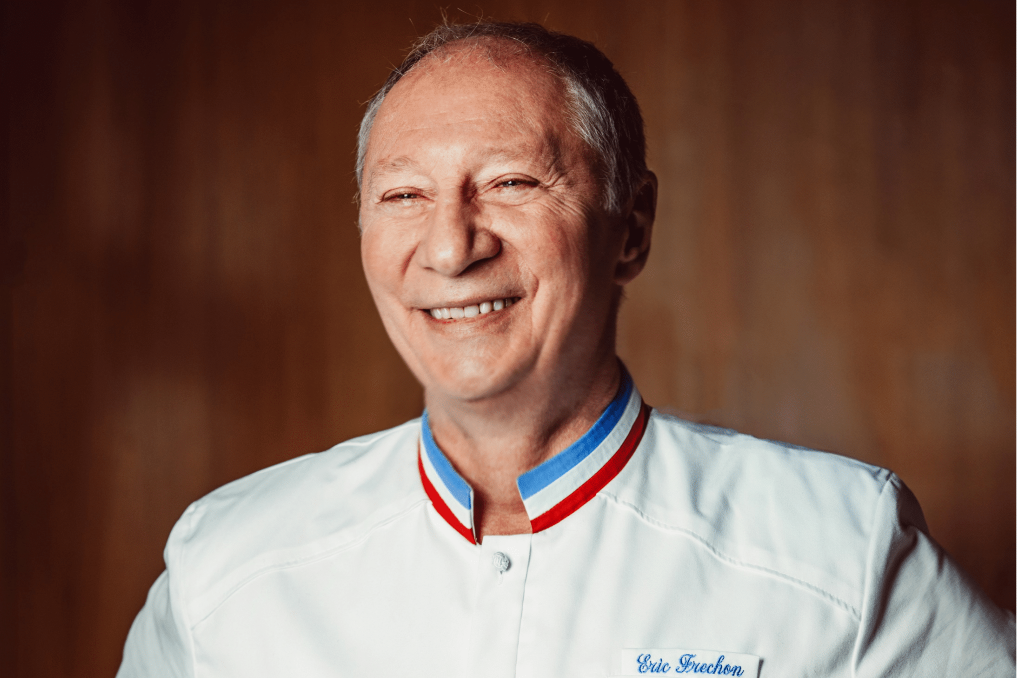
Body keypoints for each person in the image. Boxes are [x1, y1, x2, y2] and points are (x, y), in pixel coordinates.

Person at [118, 21, 1014, 677]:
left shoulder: (841, 552)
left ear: (632, 228)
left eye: (511, 182)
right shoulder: (226, 568)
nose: (450, 247)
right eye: (403, 195)